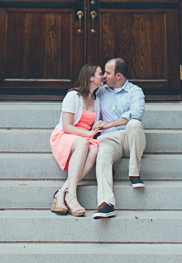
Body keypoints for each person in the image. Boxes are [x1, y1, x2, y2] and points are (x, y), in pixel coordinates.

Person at [91, 57, 146, 219]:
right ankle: (106, 203)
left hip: (131, 139)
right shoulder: (100, 92)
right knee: (102, 155)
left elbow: (135, 115)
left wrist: (107, 124)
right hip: (110, 140)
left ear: (119, 75)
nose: (103, 76)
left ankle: (134, 174)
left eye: (107, 73)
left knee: (134, 124)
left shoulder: (135, 91)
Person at [49, 63, 105, 217]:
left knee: (94, 149)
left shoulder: (97, 100)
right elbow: (67, 126)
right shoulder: (73, 96)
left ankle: (62, 193)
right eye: (100, 74)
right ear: (90, 77)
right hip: (65, 135)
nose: (104, 77)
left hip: (84, 138)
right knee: (84, 143)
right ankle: (72, 195)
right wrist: (88, 134)